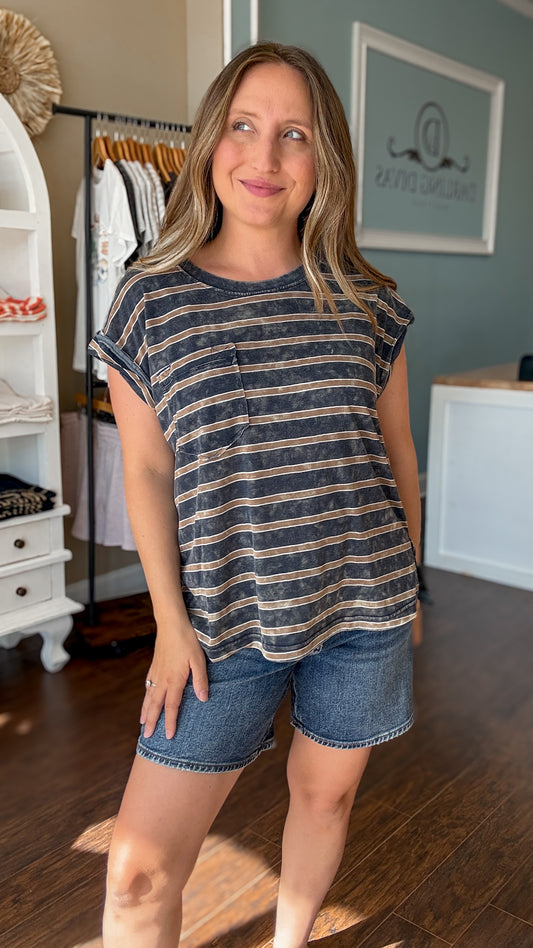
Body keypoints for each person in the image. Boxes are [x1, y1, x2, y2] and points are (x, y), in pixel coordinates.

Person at [89, 41, 420, 948]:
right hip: (218, 620)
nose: (264, 156)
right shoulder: (149, 302)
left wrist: (409, 591)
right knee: (137, 871)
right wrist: (168, 622)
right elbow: (146, 469)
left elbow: (395, 451)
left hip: (362, 606)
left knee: (325, 796)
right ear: (209, 141)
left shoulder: (366, 302)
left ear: (324, 160)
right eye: (242, 126)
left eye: (294, 134)